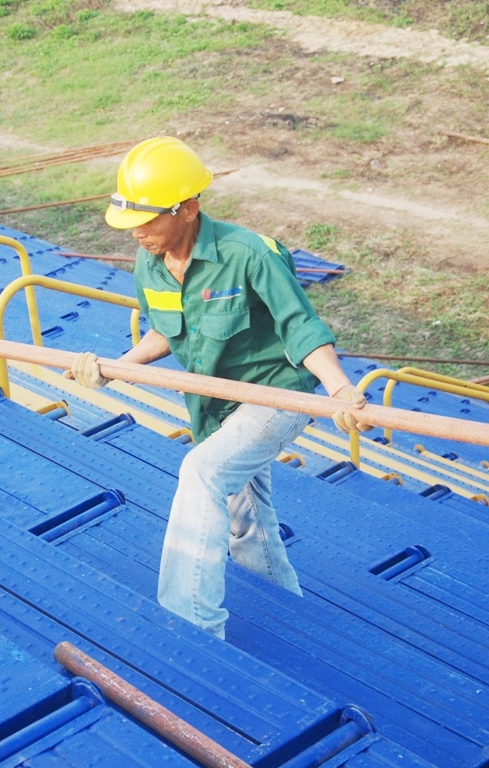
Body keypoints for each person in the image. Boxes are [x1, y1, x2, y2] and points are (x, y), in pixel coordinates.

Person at [65, 136, 369, 640]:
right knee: (244, 514)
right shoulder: (151, 260)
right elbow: (166, 329)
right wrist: (114, 366)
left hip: (275, 396)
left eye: (147, 219)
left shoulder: (250, 254)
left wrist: (339, 390)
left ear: (188, 207)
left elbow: (301, 327)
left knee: (202, 472)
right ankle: (289, 613)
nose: (136, 232)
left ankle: (192, 627)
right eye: (129, 221)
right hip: (212, 407)